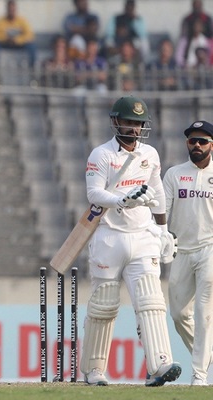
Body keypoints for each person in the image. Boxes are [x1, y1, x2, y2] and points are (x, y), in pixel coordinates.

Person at [80, 95, 181, 386]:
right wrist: (122, 200)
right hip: (108, 236)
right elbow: (94, 194)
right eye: (128, 122)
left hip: (143, 236)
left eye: (138, 124)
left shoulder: (150, 154)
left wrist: (163, 230)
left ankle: (159, 366)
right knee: (104, 305)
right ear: (115, 121)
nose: (133, 128)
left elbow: (158, 192)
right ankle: (94, 370)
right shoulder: (101, 155)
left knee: (151, 301)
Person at [164, 120, 213, 386]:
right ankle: (206, 356)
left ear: (212, 146)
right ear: (187, 143)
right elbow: (164, 212)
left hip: (210, 249)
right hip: (181, 250)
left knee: (205, 312)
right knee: (180, 314)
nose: (197, 145)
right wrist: (161, 238)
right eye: (193, 140)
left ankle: (200, 375)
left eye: (203, 141)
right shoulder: (174, 174)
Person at [0, 0, 36, 66]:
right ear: (7, 10)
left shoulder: (22, 21)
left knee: (31, 45)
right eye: (10, 10)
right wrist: (5, 38)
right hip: (5, 43)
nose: (11, 12)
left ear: (16, 10)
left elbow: (30, 35)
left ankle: (32, 66)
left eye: (13, 10)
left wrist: (17, 39)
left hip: (19, 43)